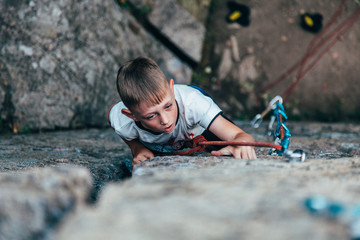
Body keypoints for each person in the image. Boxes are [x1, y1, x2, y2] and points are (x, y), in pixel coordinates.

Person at [108, 56, 257, 166]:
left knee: (226, 146)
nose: (165, 120)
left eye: (168, 106)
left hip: (196, 121)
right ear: (131, 115)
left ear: (172, 90)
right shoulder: (123, 121)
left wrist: (241, 143)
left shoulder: (194, 105)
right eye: (151, 116)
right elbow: (111, 115)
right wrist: (137, 148)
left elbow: (241, 135)